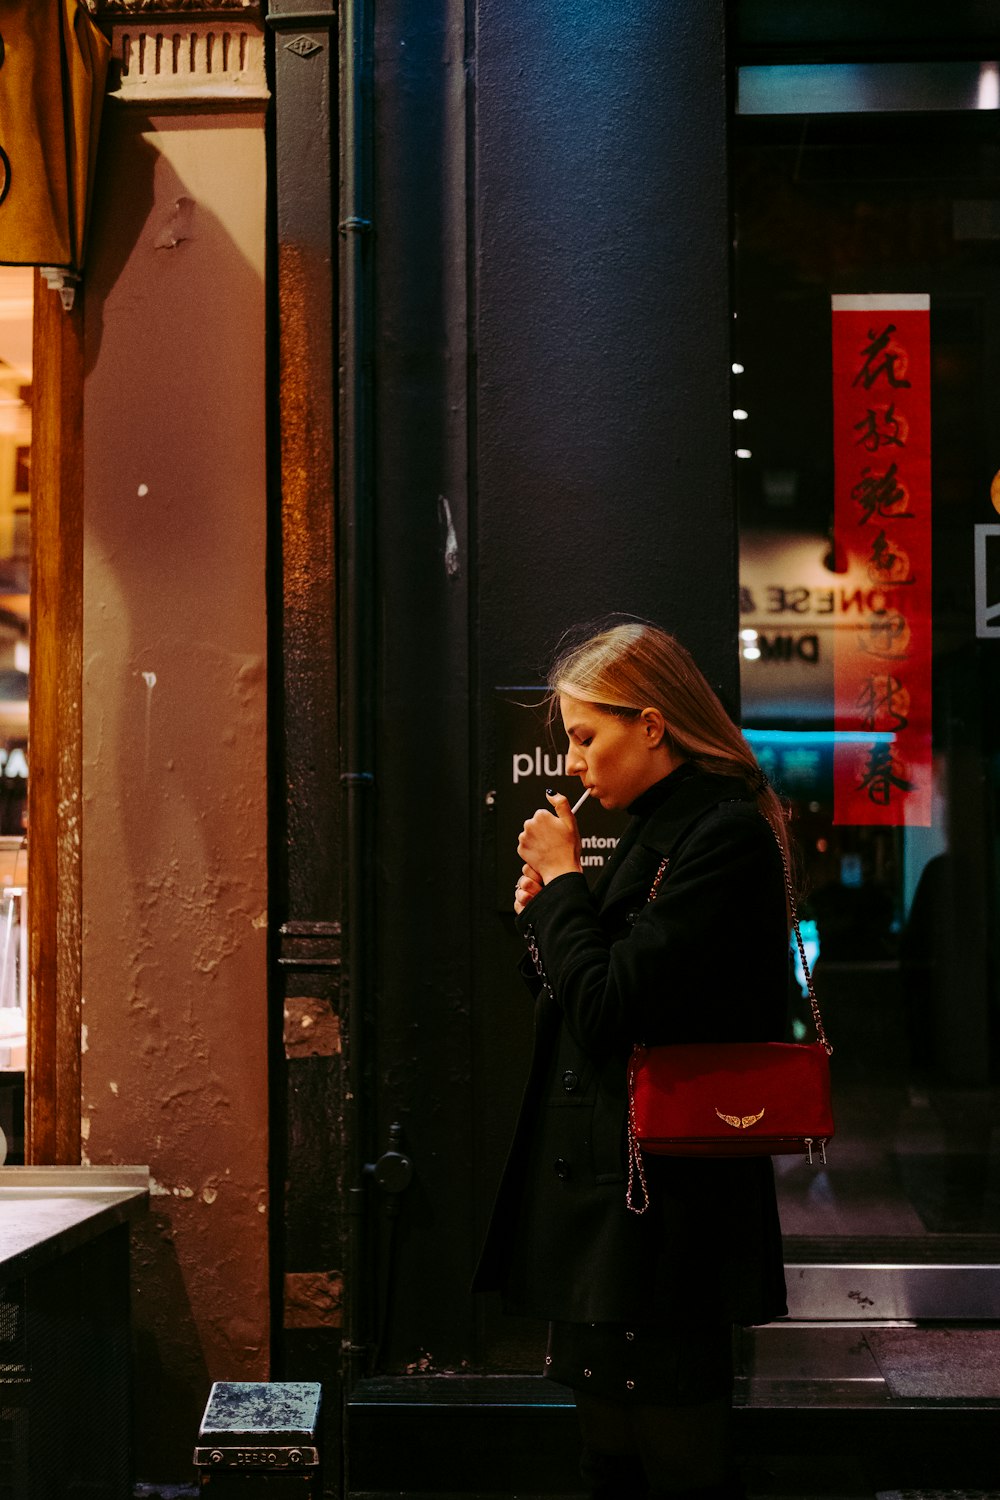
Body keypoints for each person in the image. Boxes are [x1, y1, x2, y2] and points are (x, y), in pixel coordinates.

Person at [474, 621, 791, 1500]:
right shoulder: (659, 830)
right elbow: (578, 998)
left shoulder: (720, 836)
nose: (574, 764)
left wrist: (567, 886)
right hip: (611, 1193)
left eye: (586, 736)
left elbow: (614, 1008)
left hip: (665, 1202)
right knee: (606, 1442)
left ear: (652, 725)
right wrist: (547, 913)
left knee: (670, 1441)